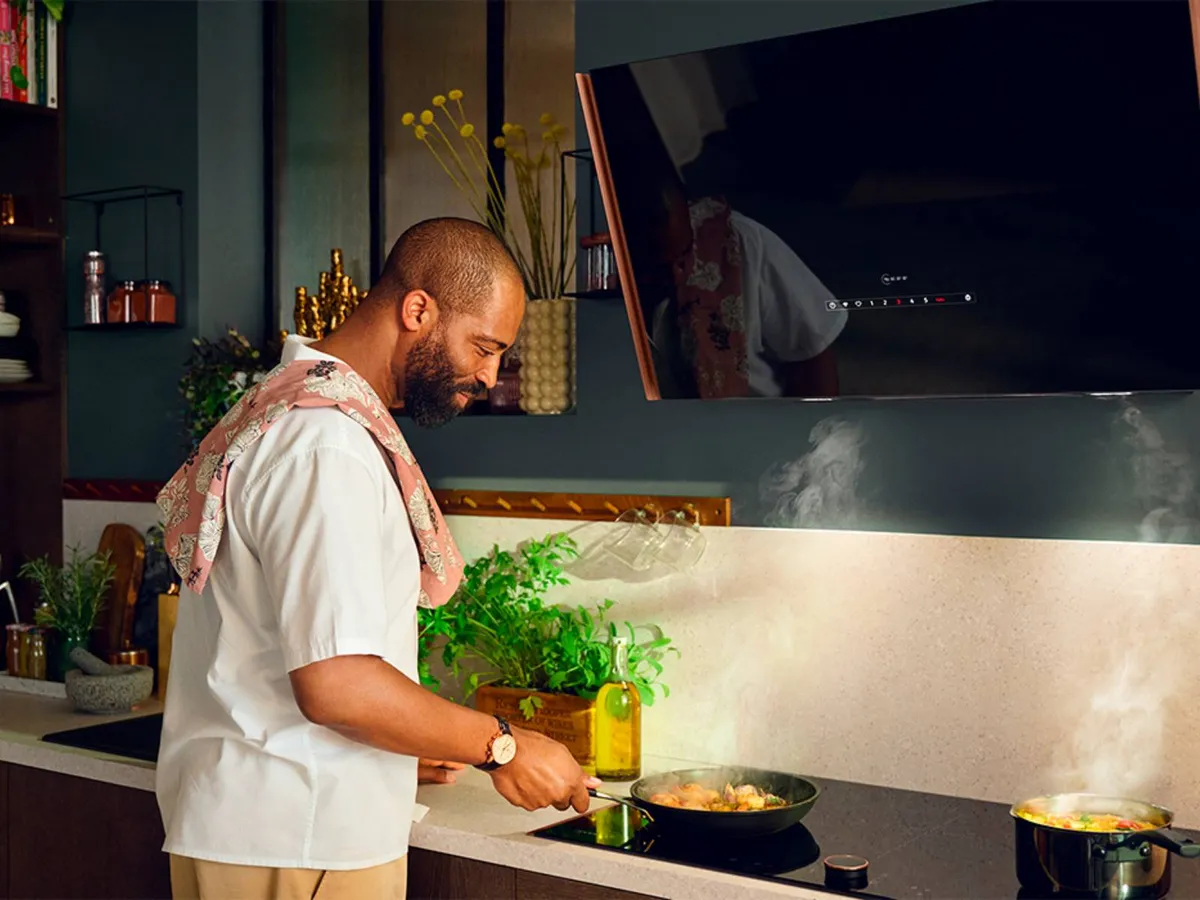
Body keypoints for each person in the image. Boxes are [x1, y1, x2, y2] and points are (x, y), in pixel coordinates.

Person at [154, 217, 596, 900]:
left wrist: (409, 740)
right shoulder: (326, 446)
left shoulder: (288, 408)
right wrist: (503, 744)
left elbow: (287, 654)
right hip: (301, 834)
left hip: (273, 824)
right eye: (484, 346)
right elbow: (338, 685)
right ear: (418, 309)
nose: (489, 374)